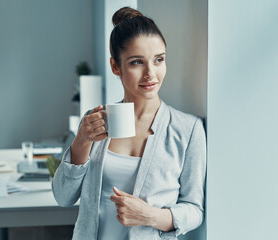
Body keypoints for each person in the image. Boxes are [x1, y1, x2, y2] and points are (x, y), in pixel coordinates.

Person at [52, 6, 206, 240]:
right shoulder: (95, 122)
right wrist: (81, 141)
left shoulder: (188, 129)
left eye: (159, 60)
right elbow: (63, 197)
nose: (150, 74)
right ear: (116, 66)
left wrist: (149, 215)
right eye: (136, 62)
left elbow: (195, 210)